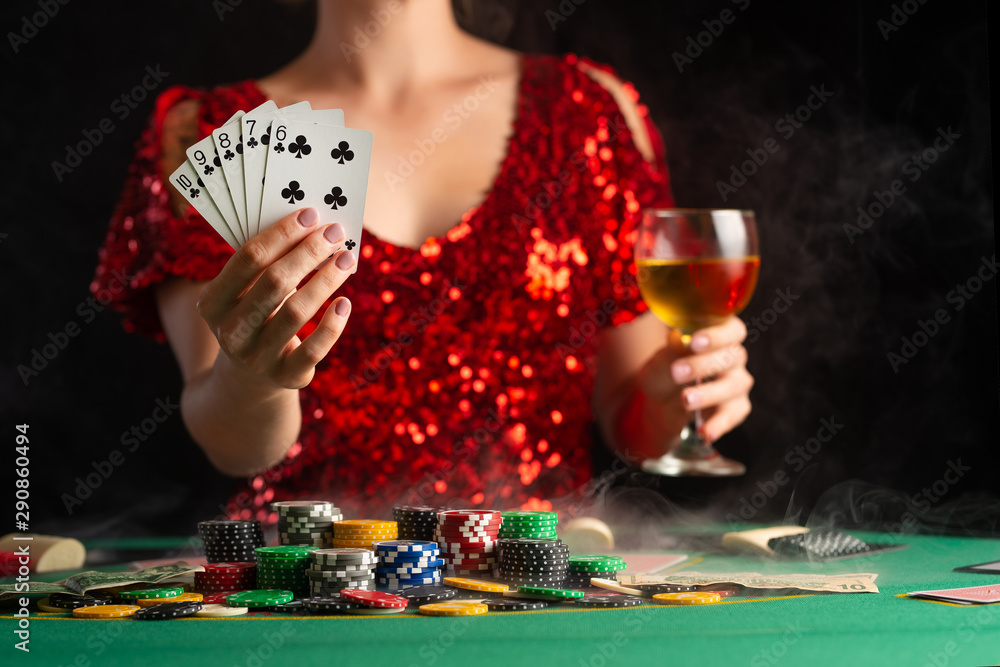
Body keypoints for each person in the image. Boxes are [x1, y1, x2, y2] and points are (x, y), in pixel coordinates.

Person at [92, 0, 754, 519]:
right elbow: (233, 444)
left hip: (542, 599)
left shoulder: (589, 115)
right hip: (310, 601)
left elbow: (630, 418)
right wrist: (252, 379)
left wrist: (681, 399)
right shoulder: (205, 134)